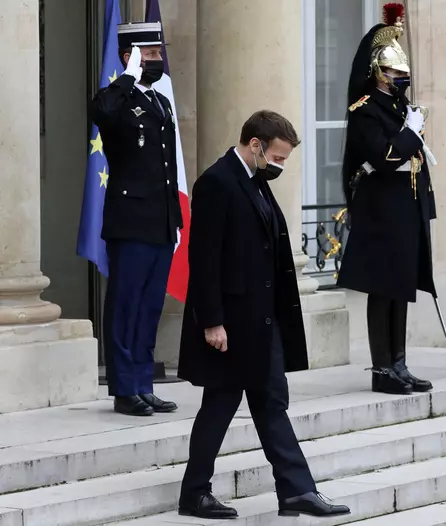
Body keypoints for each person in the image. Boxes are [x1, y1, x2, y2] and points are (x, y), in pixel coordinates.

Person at [176, 110, 351, 519]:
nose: (280, 166)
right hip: (231, 325)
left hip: (261, 323)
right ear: (255, 145)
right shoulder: (217, 182)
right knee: (219, 406)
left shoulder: (255, 182)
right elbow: (202, 260)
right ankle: (195, 492)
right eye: (278, 157)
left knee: (271, 403)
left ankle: (295, 491)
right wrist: (212, 321)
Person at [337, 3, 438, 396]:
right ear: (379, 74)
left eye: (404, 73)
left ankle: (400, 362)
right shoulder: (365, 111)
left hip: (405, 206)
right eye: (396, 73)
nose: (402, 78)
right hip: (381, 210)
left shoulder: (398, 108)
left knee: (402, 288)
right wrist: (412, 132)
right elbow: (385, 157)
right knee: (383, 290)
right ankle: (382, 369)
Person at [89, 22, 181, 417]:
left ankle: (144, 383)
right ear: (130, 56)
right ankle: (124, 388)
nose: (158, 60)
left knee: (149, 307)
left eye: (159, 53)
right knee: (126, 305)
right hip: (131, 221)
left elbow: (167, 169)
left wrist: (175, 219)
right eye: (151, 54)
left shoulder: (159, 101)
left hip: (159, 220)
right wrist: (126, 76)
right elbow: (101, 113)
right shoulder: (118, 99)